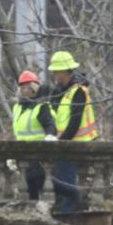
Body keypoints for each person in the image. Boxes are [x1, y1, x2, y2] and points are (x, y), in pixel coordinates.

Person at [47, 51, 99, 213]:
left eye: (57, 72)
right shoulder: (62, 91)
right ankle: (69, 209)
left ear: (65, 71)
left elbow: (75, 122)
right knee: (61, 180)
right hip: (68, 142)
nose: (55, 75)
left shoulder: (78, 91)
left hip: (76, 143)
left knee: (66, 182)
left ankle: (71, 211)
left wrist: (61, 141)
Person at [12, 70, 57, 201]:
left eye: (28, 87)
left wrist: (49, 136)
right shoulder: (18, 107)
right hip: (23, 156)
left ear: (34, 89)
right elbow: (17, 133)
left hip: (39, 157)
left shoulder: (41, 107)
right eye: (22, 87)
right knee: (28, 191)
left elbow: (50, 126)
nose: (25, 91)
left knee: (37, 188)